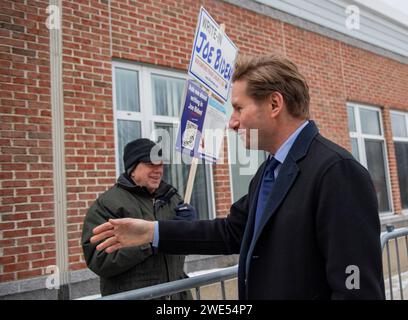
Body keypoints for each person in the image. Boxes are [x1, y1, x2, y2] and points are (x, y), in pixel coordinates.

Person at [90, 54, 385, 299]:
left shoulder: (337, 172)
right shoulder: (269, 171)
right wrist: (151, 232)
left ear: (274, 104)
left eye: (238, 108)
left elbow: (356, 289)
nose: (231, 123)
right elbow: (231, 232)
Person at [81, 138, 196, 298]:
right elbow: (99, 259)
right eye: (151, 164)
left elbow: (184, 248)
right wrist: (151, 243)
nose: (158, 170)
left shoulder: (172, 199)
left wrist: (190, 230)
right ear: (132, 169)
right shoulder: (109, 205)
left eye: (161, 164)